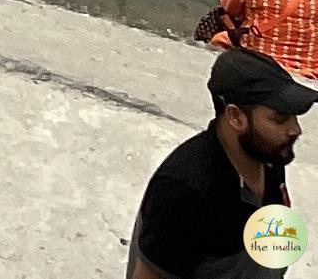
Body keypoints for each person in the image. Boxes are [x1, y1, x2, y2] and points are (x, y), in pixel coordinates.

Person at [127, 47, 308, 277]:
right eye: (279, 119)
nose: (295, 130)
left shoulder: (270, 158)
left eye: (294, 117)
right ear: (235, 117)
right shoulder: (185, 190)